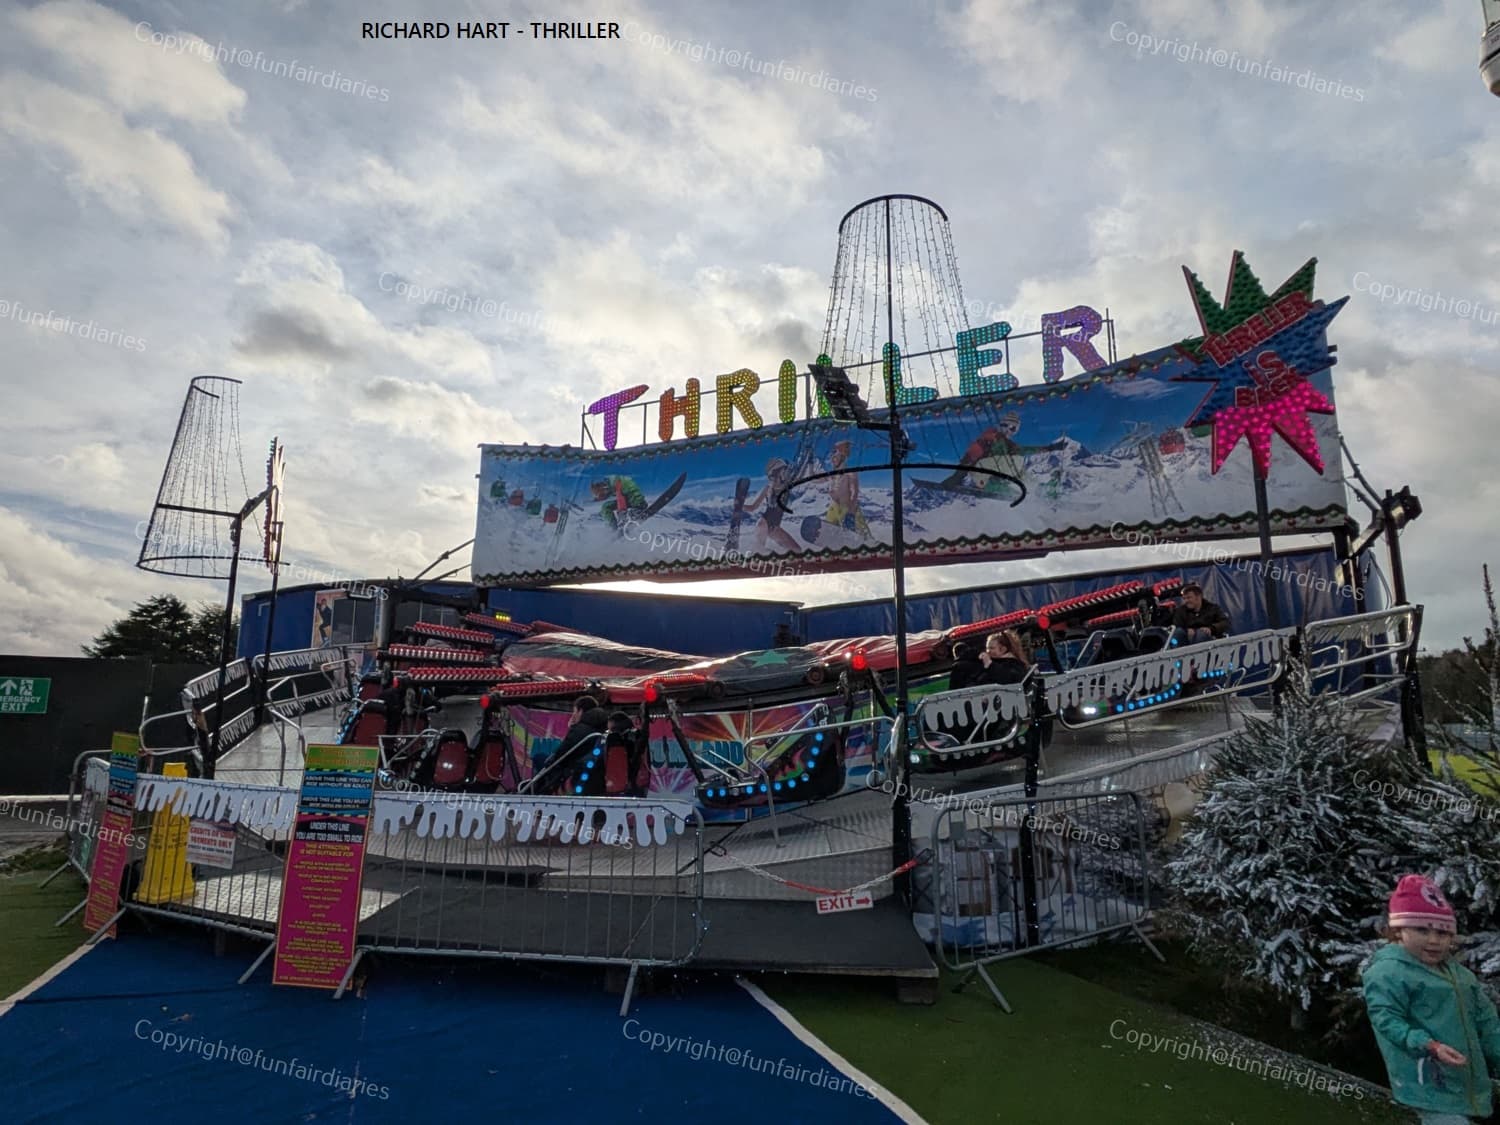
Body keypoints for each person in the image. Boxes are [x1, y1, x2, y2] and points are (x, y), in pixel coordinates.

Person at [1361, 874, 1500, 1123]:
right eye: (1422, 930)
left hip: (1466, 1086)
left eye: (1443, 932)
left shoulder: (1461, 976)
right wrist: (1428, 1045)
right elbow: (1386, 1019)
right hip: (1424, 1088)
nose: (1434, 940)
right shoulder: (1389, 972)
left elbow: (1487, 1023)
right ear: (1399, 930)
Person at [745, 457, 801, 552]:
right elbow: (752, 507)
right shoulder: (768, 488)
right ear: (777, 472)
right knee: (760, 551)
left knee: (797, 550)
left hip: (774, 528)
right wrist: (739, 505)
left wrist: (810, 461)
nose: (786, 472)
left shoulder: (787, 485)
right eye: (784, 470)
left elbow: (799, 476)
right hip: (763, 524)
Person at [825, 440, 871, 540]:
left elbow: (854, 492)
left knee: (862, 538)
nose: (833, 459)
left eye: (836, 456)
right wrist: (810, 464)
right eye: (832, 456)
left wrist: (851, 512)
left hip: (848, 509)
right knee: (828, 535)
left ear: (842, 457)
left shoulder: (850, 473)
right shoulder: (831, 475)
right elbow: (815, 479)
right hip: (834, 509)